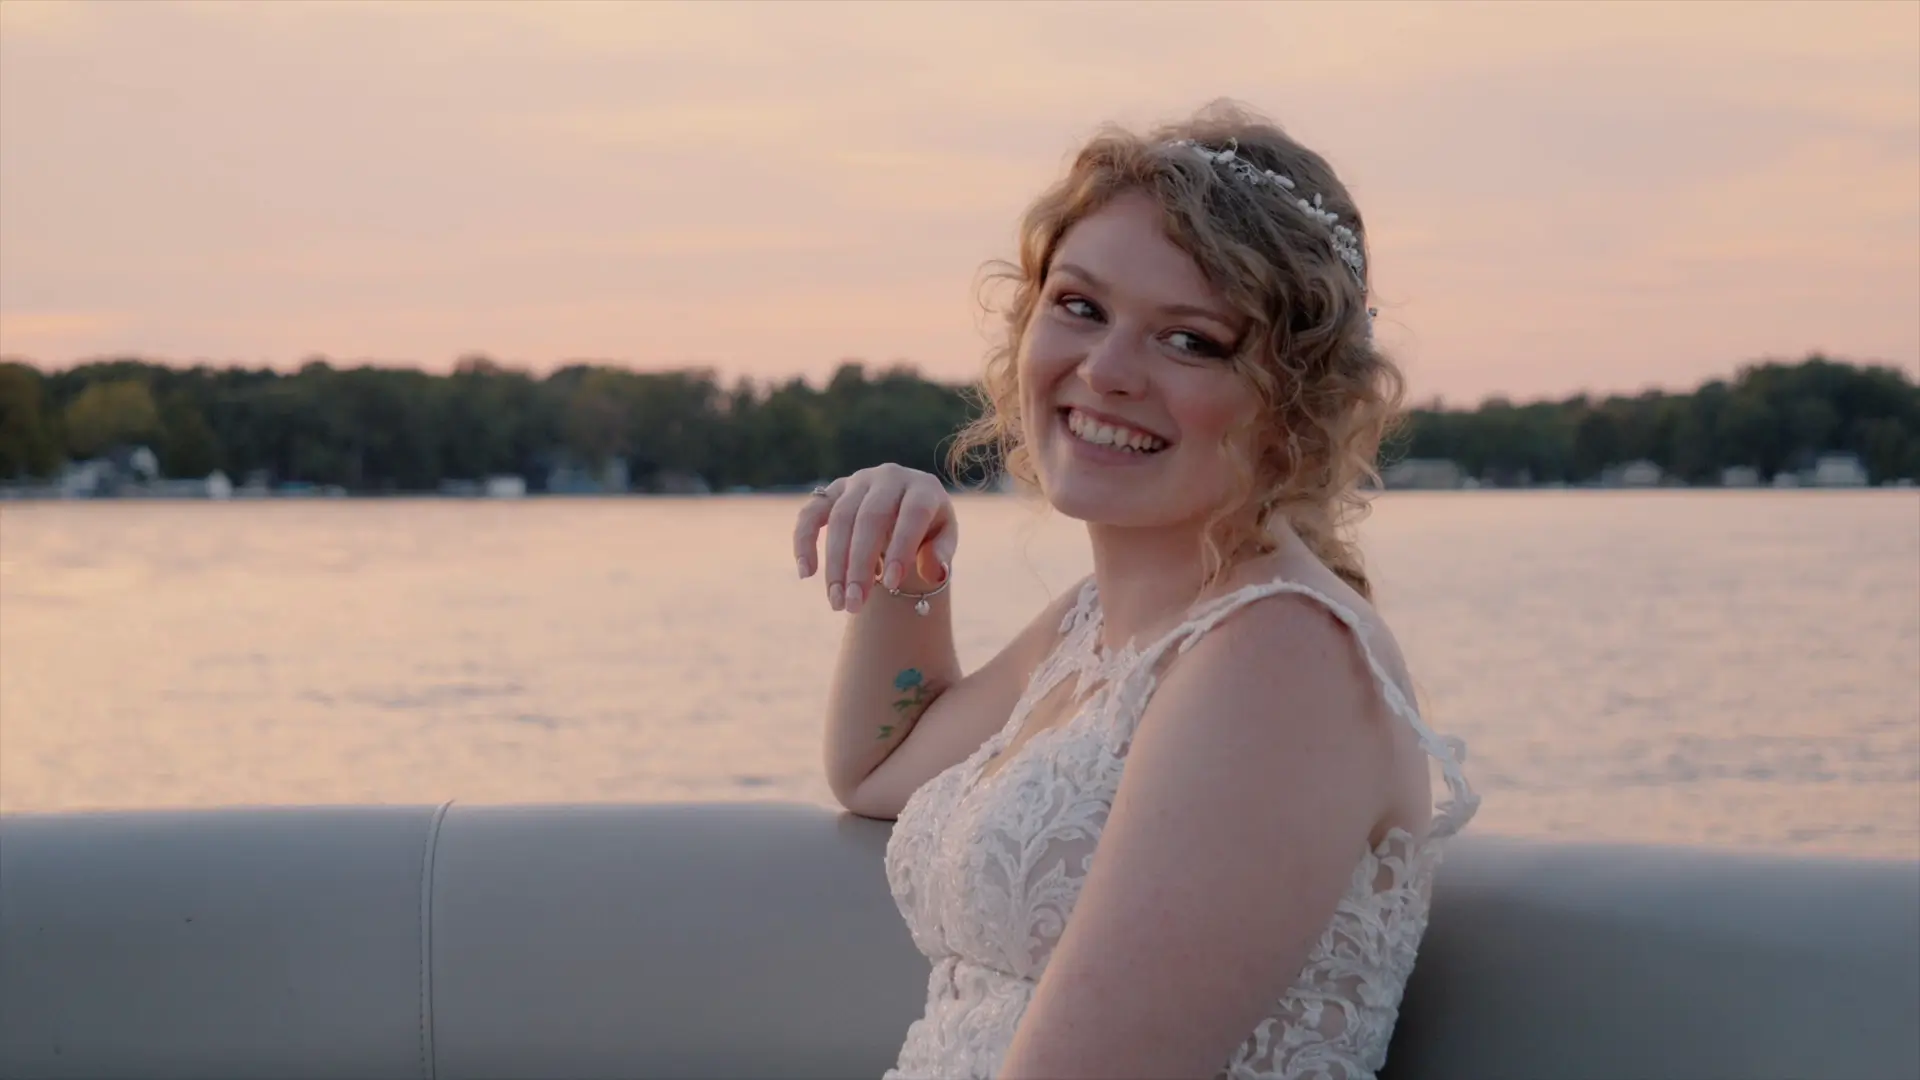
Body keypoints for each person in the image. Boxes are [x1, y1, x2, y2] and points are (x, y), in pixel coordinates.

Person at [792, 100, 1478, 1080]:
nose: (1105, 371)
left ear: (1298, 399)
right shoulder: (1094, 629)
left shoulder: (1280, 660)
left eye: (1191, 340)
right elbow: (877, 773)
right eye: (1080, 306)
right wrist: (908, 574)